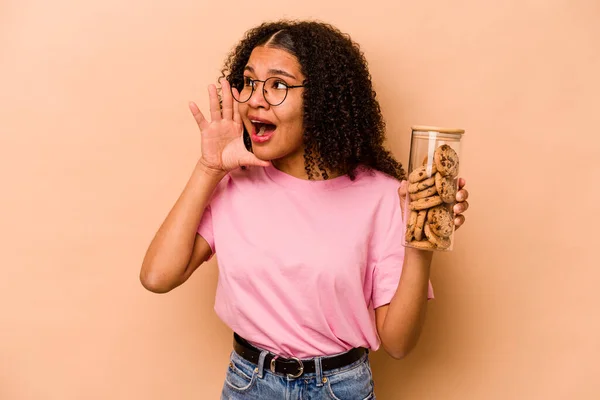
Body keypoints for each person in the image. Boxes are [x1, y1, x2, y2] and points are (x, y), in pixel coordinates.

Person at [140, 20, 469, 400]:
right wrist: (209, 168)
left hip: (340, 389)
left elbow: (397, 343)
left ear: (323, 101)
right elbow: (157, 276)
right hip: (249, 384)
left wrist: (419, 242)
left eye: (278, 85)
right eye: (249, 82)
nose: (255, 100)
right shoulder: (237, 184)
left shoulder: (382, 197)